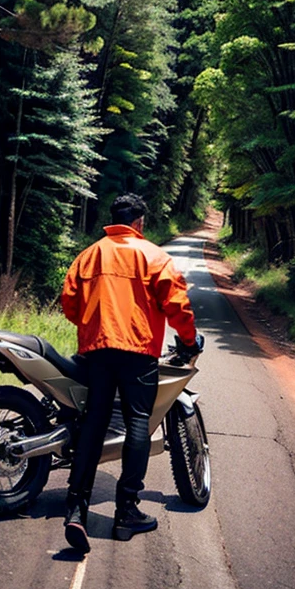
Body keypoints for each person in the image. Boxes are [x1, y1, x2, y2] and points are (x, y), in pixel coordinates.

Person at [60, 192, 202, 553]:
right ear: (139, 222)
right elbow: (178, 305)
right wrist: (189, 341)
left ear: (114, 219)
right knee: (138, 421)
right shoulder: (154, 256)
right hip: (138, 352)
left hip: (97, 350)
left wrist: (94, 325)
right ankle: (126, 512)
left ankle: (76, 510)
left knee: (94, 421)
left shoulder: (88, 255)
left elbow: (70, 304)